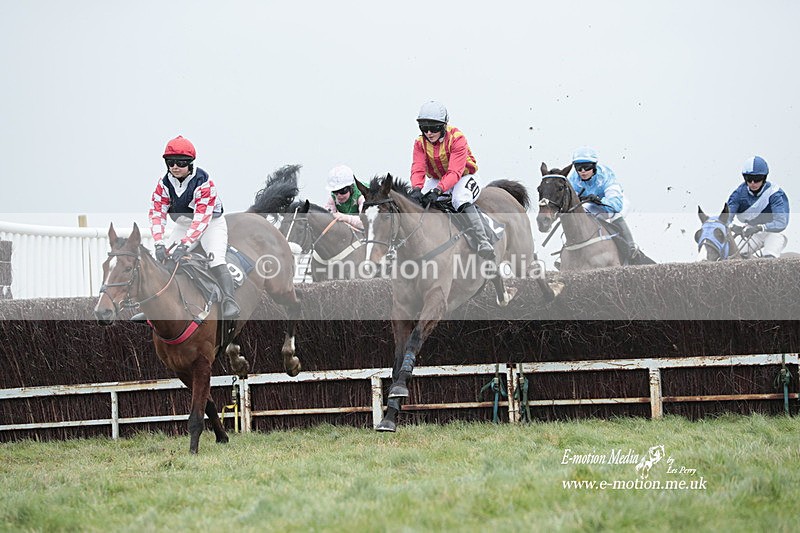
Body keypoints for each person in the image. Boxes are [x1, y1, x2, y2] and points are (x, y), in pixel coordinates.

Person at [146, 135, 240, 319]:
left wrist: (184, 244)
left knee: (216, 259)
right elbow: (157, 213)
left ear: (190, 164)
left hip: (210, 223)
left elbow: (201, 219)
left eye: (180, 162)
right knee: (165, 262)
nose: (174, 167)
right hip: (183, 224)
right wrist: (158, 243)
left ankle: (230, 301)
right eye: (170, 162)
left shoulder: (204, 182)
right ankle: (156, 307)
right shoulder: (163, 184)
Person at [409, 100, 494, 259]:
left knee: (459, 200)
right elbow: (418, 168)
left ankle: (483, 241)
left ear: (443, 126)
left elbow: (455, 172)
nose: (428, 133)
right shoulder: (419, 143)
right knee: (417, 203)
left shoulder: (457, 138)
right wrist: (416, 188)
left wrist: (438, 190)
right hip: (438, 178)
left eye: (433, 128)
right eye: (424, 128)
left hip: (464, 176)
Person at [567, 146, 640, 258]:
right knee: (583, 215)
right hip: (593, 204)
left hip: (616, 202)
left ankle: (631, 247)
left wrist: (599, 200)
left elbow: (615, 205)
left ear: (594, 166)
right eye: (578, 167)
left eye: (586, 167)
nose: (582, 171)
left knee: (614, 214)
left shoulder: (605, 175)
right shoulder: (574, 179)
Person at [727, 155, 789, 258]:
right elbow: (725, 218)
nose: (752, 183)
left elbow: (781, 222)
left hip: (773, 232)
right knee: (734, 256)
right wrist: (733, 227)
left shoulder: (775, 194)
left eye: (757, 179)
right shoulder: (737, 194)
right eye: (749, 179)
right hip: (751, 231)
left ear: (764, 178)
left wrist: (760, 227)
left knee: (769, 257)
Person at [323, 164, 365, 230]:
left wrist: (345, 218)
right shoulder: (332, 199)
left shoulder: (361, 196)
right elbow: (326, 221)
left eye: (342, 191)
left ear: (351, 188)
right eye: (335, 192)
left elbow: (365, 223)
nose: (339, 195)